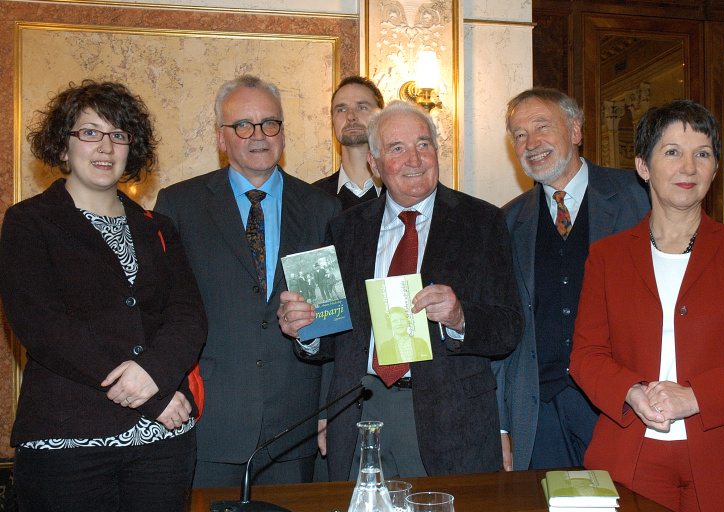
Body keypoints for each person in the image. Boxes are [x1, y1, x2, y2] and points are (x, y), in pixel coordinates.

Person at [570, 99, 724, 512]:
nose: (688, 167)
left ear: (715, 169)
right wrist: (632, 392)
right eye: (672, 151)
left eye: (703, 153)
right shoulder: (607, 256)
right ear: (643, 165)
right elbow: (586, 356)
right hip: (631, 461)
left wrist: (695, 397)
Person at [0, 80, 207, 512]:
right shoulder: (28, 222)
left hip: (163, 448)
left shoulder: (159, 226)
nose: (105, 147)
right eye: (90, 132)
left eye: (119, 135)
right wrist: (150, 396)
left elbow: (188, 316)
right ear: (63, 144)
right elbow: (43, 327)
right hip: (68, 443)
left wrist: (154, 375)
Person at [279, 100, 523, 481]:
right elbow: (333, 340)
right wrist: (304, 330)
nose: (415, 159)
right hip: (361, 412)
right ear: (375, 165)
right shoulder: (345, 229)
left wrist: (461, 318)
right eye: (397, 148)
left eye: (424, 145)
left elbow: (509, 327)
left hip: (450, 422)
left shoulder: (483, 221)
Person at [154, 75, 340, 488]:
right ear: (222, 139)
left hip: (296, 425)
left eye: (269, 123)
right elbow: (161, 313)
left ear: (283, 134)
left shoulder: (321, 208)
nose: (258, 136)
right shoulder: (179, 205)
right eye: (243, 125)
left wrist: (329, 409)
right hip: (208, 422)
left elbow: (331, 321)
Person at [496, 88, 650, 471]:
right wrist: (500, 425)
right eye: (519, 134)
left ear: (576, 131)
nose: (531, 143)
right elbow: (503, 329)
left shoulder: (638, 198)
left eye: (542, 127)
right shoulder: (508, 222)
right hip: (541, 411)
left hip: (624, 405)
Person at [313, 76, 386, 210]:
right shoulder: (312, 198)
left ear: (381, 118)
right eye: (341, 109)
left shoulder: (402, 192)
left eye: (362, 107)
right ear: (333, 122)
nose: (351, 116)